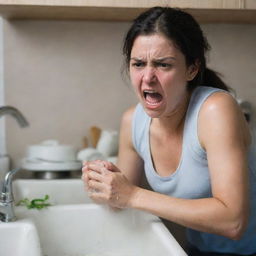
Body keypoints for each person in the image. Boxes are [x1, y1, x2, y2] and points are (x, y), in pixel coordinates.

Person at [81, 7, 256, 256]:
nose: (148, 77)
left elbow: (233, 221)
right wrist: (103, 185)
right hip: (199, 248)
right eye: (138, 64)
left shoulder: (215, 110)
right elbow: (120, 204)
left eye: (163, 65)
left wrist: (132, 195)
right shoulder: (133, 121)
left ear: (192, 69)